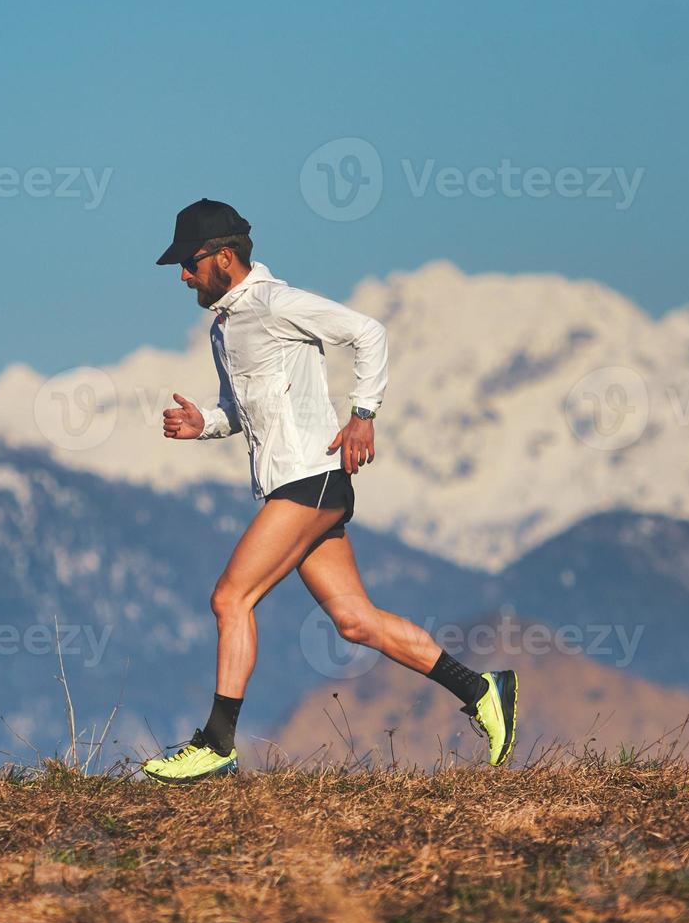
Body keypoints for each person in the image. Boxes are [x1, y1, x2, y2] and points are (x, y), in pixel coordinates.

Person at [140, 199, 518, 784]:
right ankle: (481, 688)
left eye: (188, 263)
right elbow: (240, 410)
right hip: (299, 487)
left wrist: (363, 414)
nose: (182, 276)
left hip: (310, 480)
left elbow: (368, 331)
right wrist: (205, 426)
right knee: (356, 621)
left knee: (229, 599)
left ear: (224, 257)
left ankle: (217, 743)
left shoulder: (273, 304)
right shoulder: (224, 327)